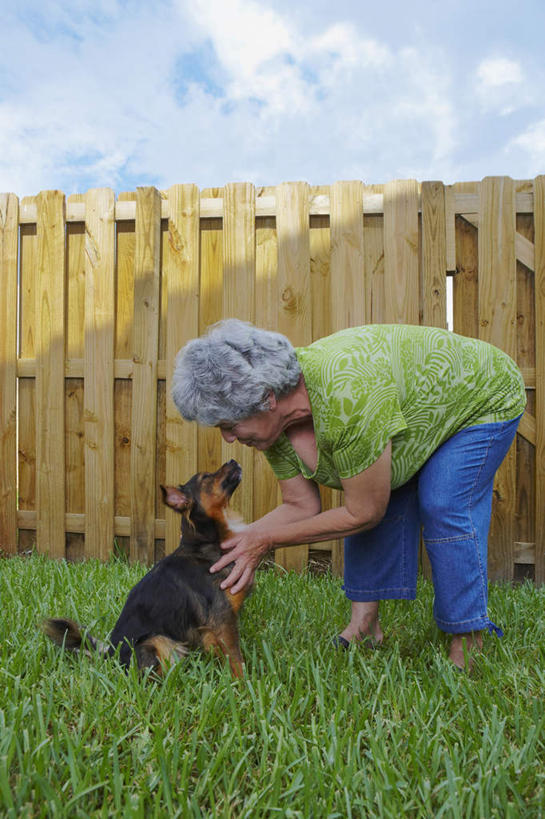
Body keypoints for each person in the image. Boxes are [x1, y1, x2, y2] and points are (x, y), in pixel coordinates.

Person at [172, 319, 526, 669]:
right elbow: (300, 505)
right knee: (377, 486)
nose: (229, 439)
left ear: (267, 399)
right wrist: (234, 543)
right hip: (417, 409)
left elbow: (365, 512)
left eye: (229, 426)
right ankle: (365, 626)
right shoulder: (272, 423)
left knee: (443, 503)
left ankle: (469, 636)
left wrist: (264, 540)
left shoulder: (346, 395)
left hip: (480, 398)